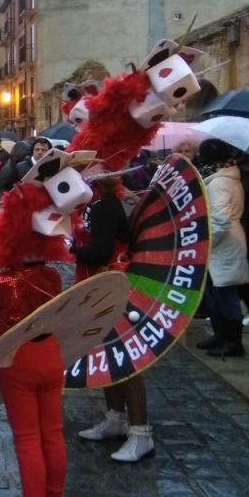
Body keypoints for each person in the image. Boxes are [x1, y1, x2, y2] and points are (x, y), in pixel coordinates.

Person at [0, 177, 74, 497]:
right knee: (53, 432)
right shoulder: (51, 276)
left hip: (18, 360)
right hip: (51, 357)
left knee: (28, 438)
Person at [73, 176, 155, 462]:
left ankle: (141, 433)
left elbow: (101, 250)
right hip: (103, 283)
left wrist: (70, 247)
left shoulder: (104, 205)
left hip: (113, 284)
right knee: (107, 349)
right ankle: (116, 419)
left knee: (124, 354)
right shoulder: (99, 202)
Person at [195, 138, 249, 357]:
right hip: (223, 244)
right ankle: (221, 336)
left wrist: (206, 242)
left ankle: (232, 342)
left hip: (223, 244)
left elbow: (220, 219)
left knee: (226, 295)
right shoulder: (222, 178)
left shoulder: (220, 183)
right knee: (215, 293)